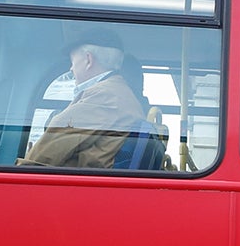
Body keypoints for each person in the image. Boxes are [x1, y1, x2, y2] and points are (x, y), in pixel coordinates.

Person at [21, 31, 151, 169]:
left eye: (72, 62)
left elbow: (46, 152)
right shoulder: (118, 91)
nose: (71, 69)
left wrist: (21, 167)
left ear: (88, 60)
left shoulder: (105, 95)